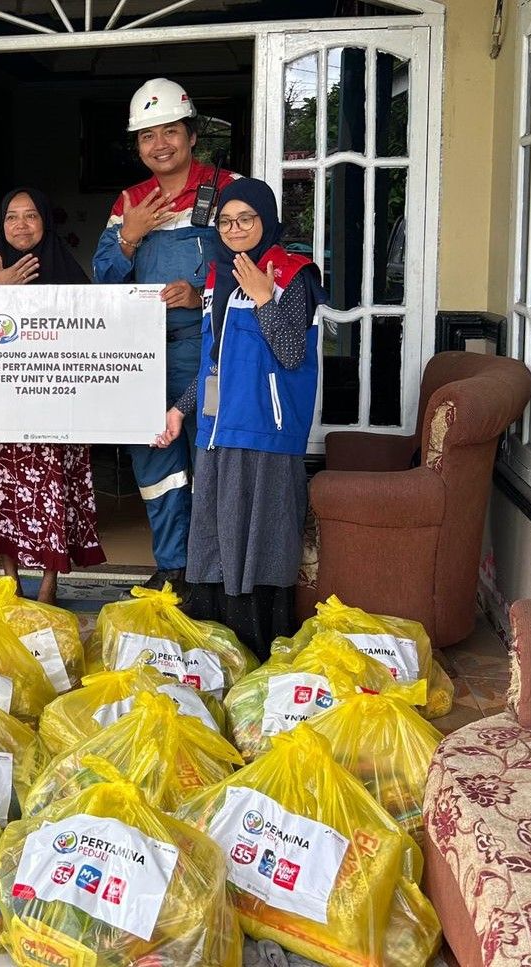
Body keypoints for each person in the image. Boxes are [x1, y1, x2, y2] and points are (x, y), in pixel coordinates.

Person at [153, 177, 328, 660]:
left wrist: (265, 297)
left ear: (266, 220)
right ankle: (220, 656)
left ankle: (261, 650)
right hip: (216, 431)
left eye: (245, 219)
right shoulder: (218, 277)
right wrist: (179, 410)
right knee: (213, 539)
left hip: (266, 432)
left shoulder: (295, 274)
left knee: (262, 540)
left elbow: (292, 354)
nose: (234, 228)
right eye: (225, 221)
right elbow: (215, 362)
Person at [93, 77, 238, 591]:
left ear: (192, 134)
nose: (160, 144)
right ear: (138, 145)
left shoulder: (227, 190)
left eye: (170, 131)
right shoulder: (131, 200)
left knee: (212, 459)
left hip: (210, 351)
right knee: (156, 465)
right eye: (147, 135)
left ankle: (214, 572)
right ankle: (173, 567)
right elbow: (103, 280)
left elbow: (256, 265)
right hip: (143, 355)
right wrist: (129, 236)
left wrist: (201, 293)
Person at [0, 188, 106, 603]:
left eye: (31, 216)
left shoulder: (66, 268)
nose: (21, 225)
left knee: (50, 490)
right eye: (11, 217)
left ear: (46, 222)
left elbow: (96, 330)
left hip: (53, 407)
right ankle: (9, 578)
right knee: (3, 494)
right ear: (1, 224)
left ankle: (48, 583)